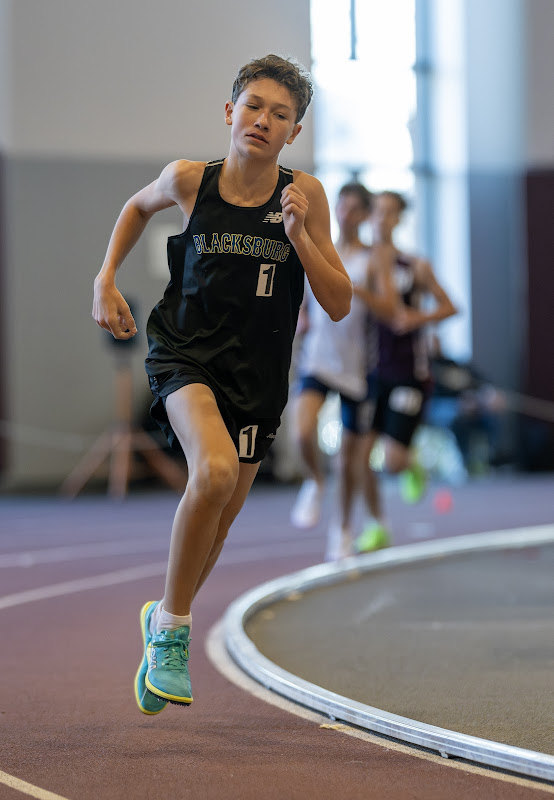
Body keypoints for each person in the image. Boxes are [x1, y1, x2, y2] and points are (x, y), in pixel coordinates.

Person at [92, 54, 352, 714]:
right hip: (184, 354)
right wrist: (105, 279)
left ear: (294, 132)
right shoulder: (190, 179)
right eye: (254, 106)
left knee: (221, 516)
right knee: (212, 472)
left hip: (258, 372)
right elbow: (136, 206)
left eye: (280, 114)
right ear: (230, 111)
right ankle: (173, 635)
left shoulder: (306, 195)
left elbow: (339, 302)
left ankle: (163, 616)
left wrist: (299, 236)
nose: (263, 120)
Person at [289, 183, 397, 560]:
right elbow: (304, 298)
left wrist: (352, 290)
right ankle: (314, 482)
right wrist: (302, 316)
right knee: (302, 432)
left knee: (349, 460)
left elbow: (391, 309)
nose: (345, 214)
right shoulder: (317, 248)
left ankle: (344, 529)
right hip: (318, 359)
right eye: (341, 206)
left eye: (353, 208)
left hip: (357, 369)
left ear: (364, 215)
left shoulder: (372, 258)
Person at [356, 190, 458, 552]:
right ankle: (377, 525)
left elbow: (450, 307)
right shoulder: (360, 262)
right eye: (376, 211)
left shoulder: (414, 265)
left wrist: (419, 318)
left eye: (389, 212)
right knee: (358, 457)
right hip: (368, 373)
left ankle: (411, 463)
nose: (381, 219)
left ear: (399, 219)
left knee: (393, 463)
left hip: (408, 374)